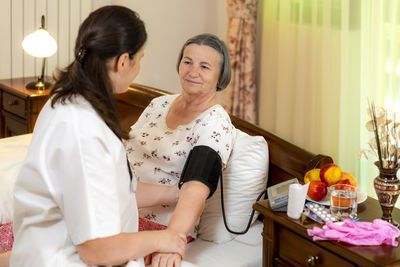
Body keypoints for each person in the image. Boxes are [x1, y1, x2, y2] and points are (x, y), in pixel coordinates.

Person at [10, 6, 186, 267]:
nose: (139, 68)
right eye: (140, 59)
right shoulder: (84, 130)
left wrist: (174, 193)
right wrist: (164, 239)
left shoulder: (65, 100)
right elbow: (98, 250)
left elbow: (113, 192)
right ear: (122, 61)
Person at [126, 33, 234, 266]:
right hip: (119, 204)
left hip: (159, 224)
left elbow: (196, 187)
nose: (193, 71)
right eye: (187, 62)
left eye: (204, 66)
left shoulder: (215, 123)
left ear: (219, 77)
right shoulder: (159, 104)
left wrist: (172, 238)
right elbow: (127, 149)